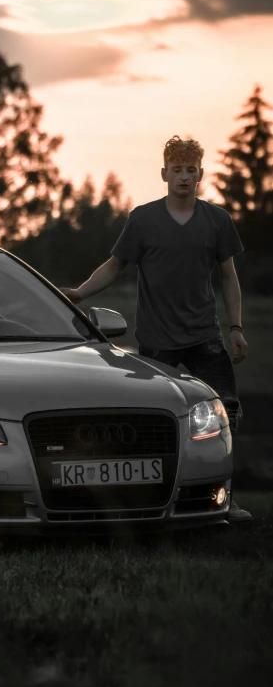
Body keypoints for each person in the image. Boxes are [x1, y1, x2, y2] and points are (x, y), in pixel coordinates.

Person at [59, 134, 251, 524]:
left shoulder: (217, 220)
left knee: (225, 415)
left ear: (201, 173)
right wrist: (79, 292)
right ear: (164, 173)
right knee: (153, 424)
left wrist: (235, 327)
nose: (184, 176)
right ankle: (144, 500)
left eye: (190, 170)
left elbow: (229, 277)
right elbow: (115, 265)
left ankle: (225, 500)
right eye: (176, 169)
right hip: (157, 344)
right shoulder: (143, 219)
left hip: (205, 338)